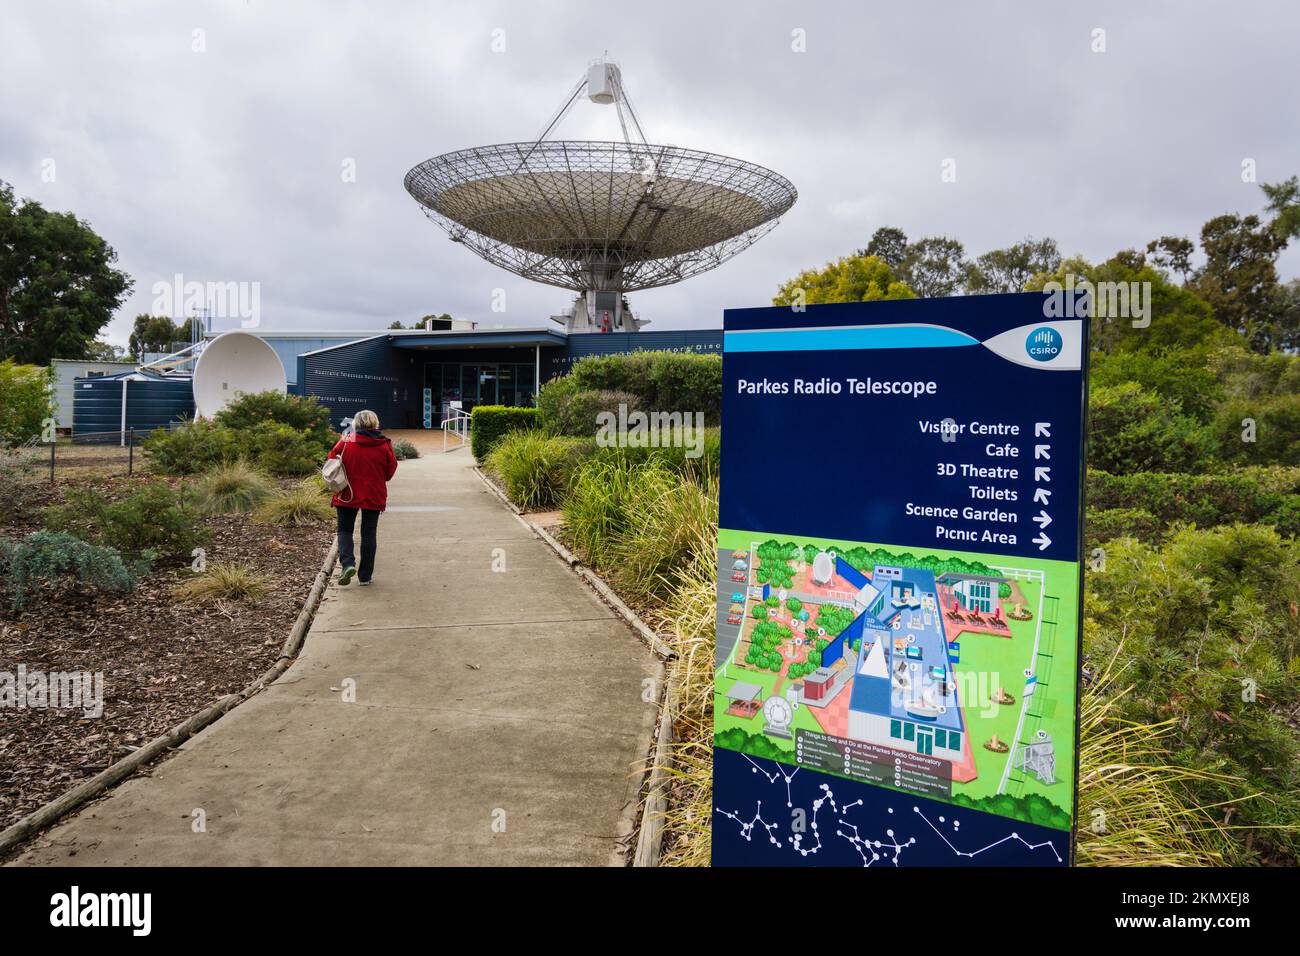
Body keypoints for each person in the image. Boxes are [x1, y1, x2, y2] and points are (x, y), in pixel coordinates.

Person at [327, 409, 398, 586]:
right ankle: (365, 576)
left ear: (356, 424)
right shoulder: (384, 444)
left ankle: (347, 564)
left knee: (344, 531)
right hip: (374, 494)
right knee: (368, 534)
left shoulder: (346, 441)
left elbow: (331, 461)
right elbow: (390, 471)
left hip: (347, 493)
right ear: (375, 423)